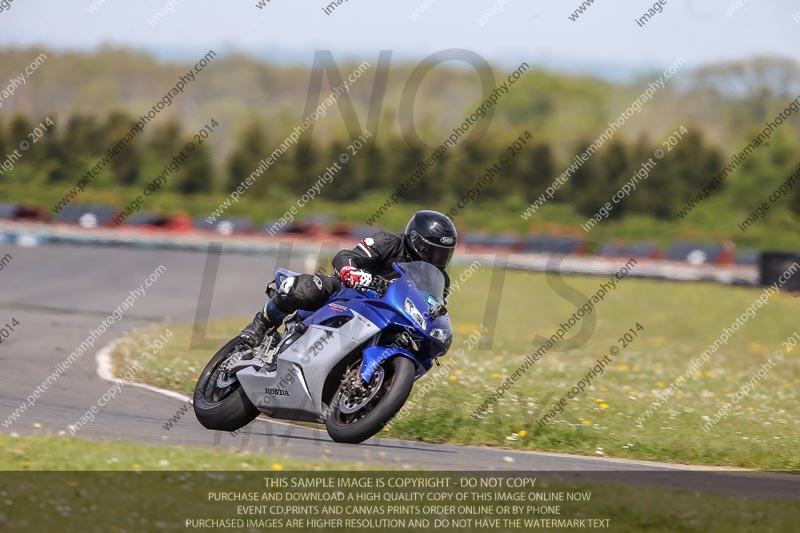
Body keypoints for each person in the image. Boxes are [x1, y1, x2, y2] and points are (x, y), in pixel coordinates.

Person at [238, 210, 457, 347]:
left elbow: (433, 307)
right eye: (431, 251)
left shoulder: (440, 280)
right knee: (306, 289)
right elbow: (348, 256)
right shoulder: (388, 242)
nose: (436, 259)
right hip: (350, 293)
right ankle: (260, 325)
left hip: (389, 316)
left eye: (442, 254)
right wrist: (351, 272)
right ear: (416, 241)